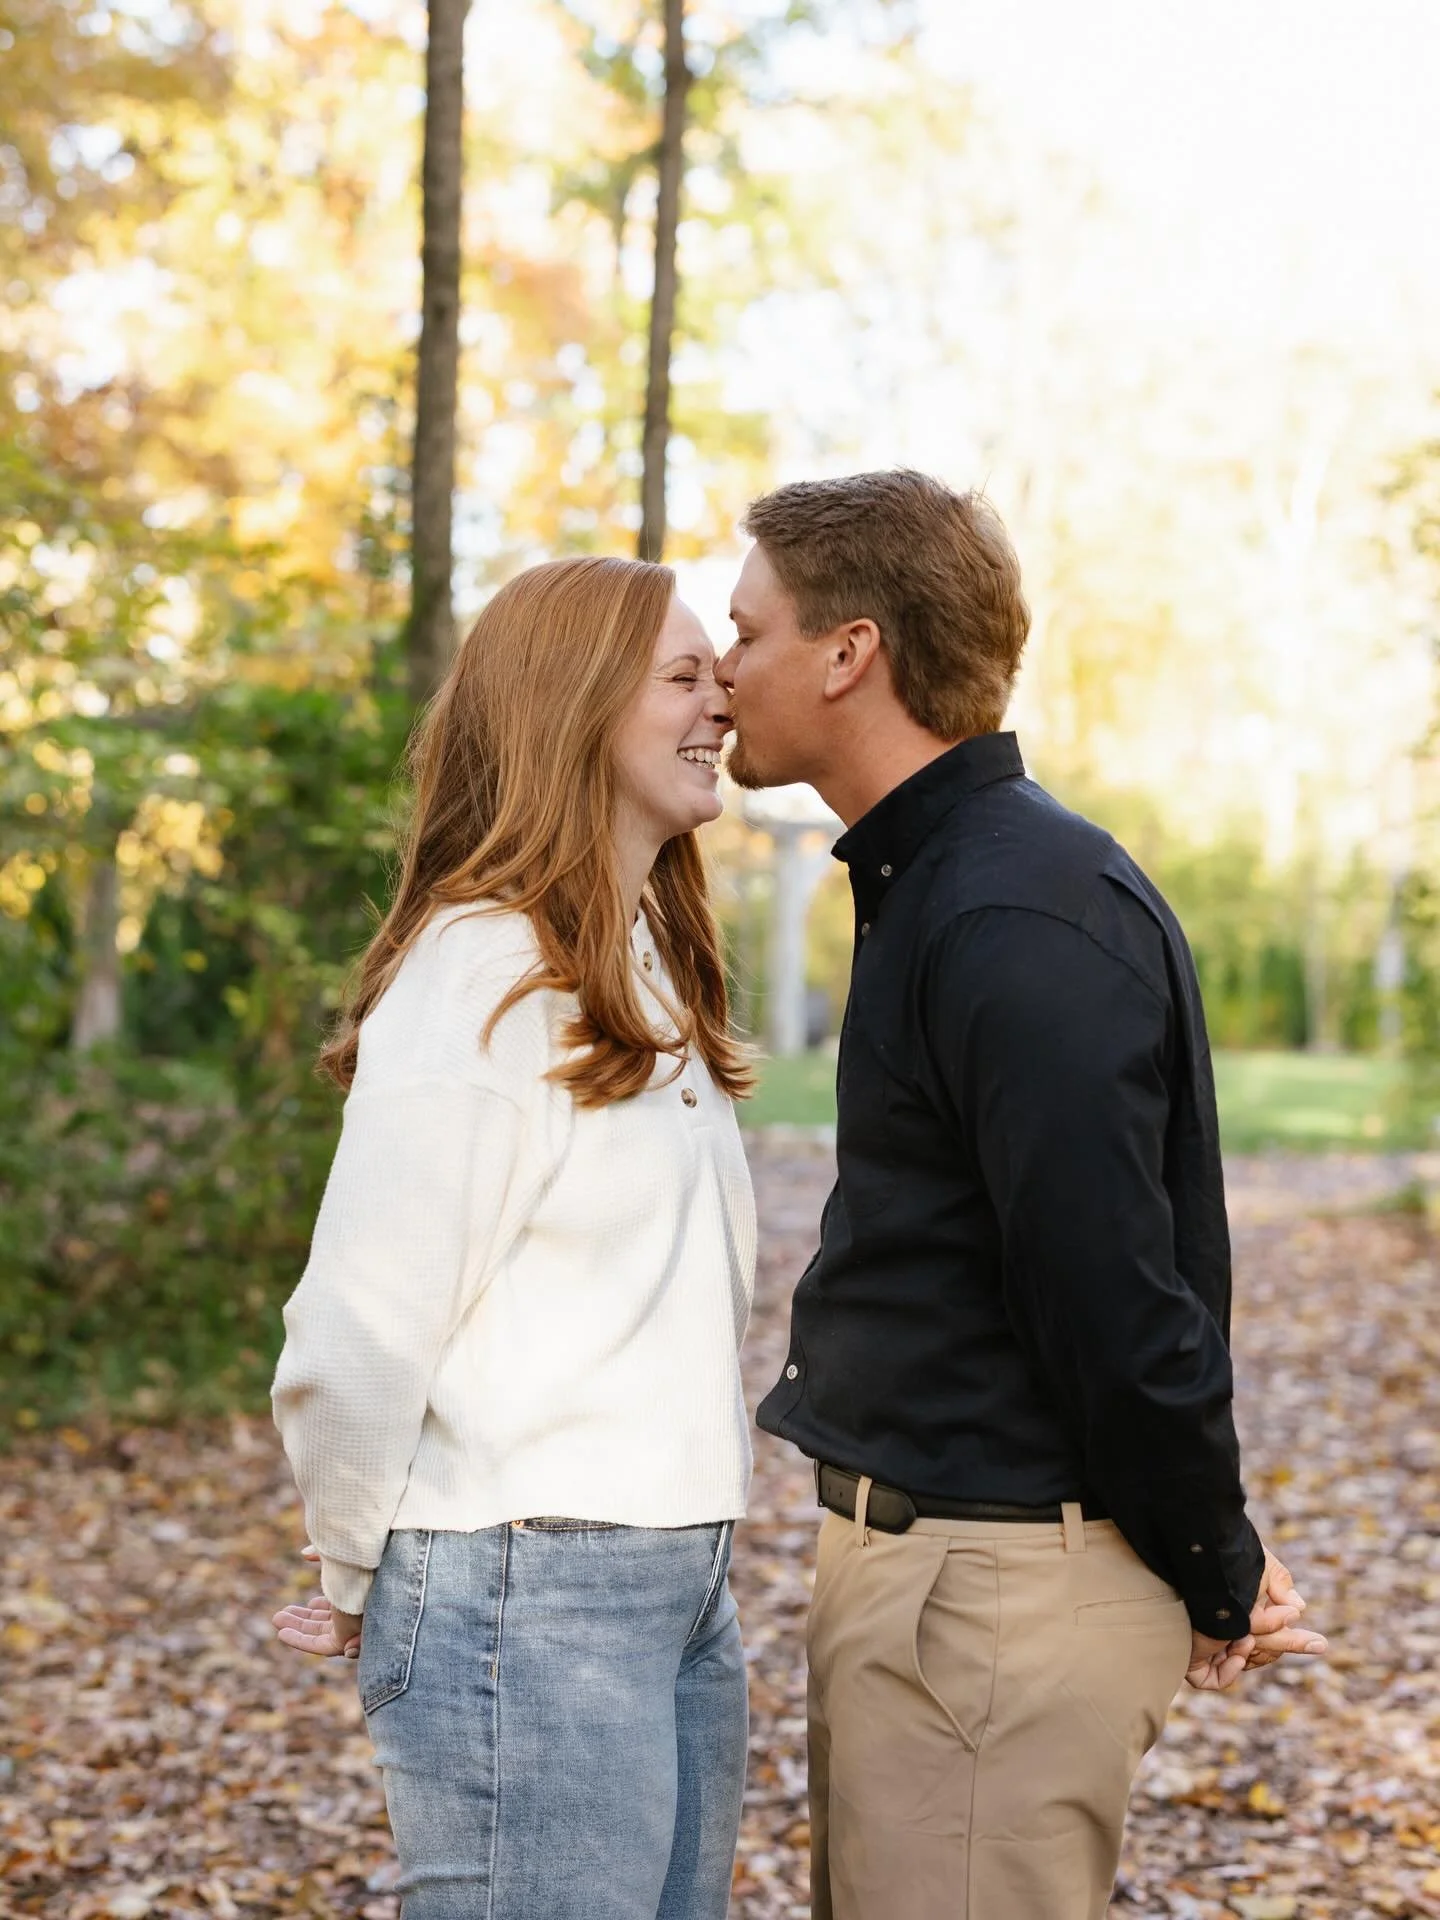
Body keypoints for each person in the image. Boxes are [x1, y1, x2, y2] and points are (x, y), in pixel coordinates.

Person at [713, 470, 1329, 1920]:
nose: (724, 668)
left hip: (985, 1607)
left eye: (747, 633)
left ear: (849, 652)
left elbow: (1117, 1291)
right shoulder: (951, 881)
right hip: (946, 1594)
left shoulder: (1009, 913)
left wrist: (1215, 1559)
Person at [269, 556, 756, 1920]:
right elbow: (361, 1323)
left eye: (720, 668)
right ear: (571, 711)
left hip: (675, 1570)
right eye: (682, 675)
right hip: (526, 1585)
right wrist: (354, 1561)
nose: (723, 699)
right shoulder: (481, 969)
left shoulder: (634, 953)